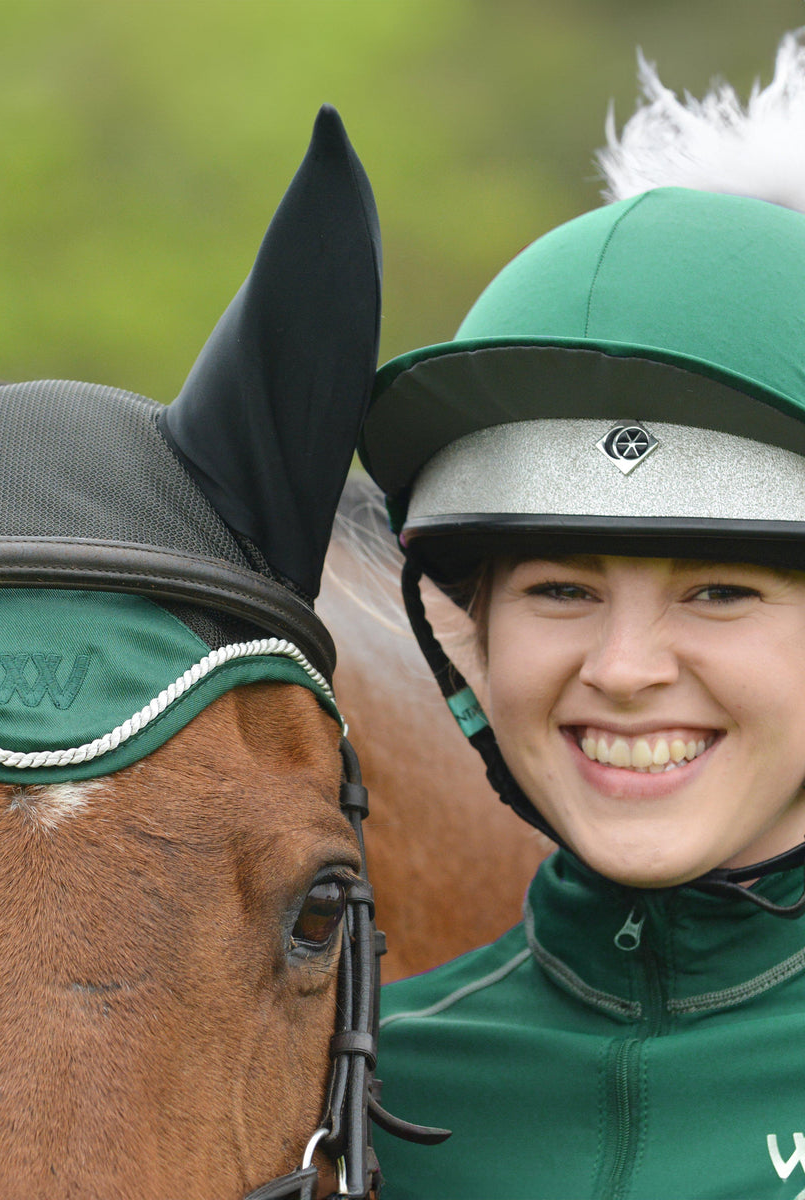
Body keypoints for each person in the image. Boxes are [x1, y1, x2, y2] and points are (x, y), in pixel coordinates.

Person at [359, 33, 805, 1200]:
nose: (622, 668)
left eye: (720, 589)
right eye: (561, 590)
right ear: (475, 634)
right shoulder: (349, 1100)